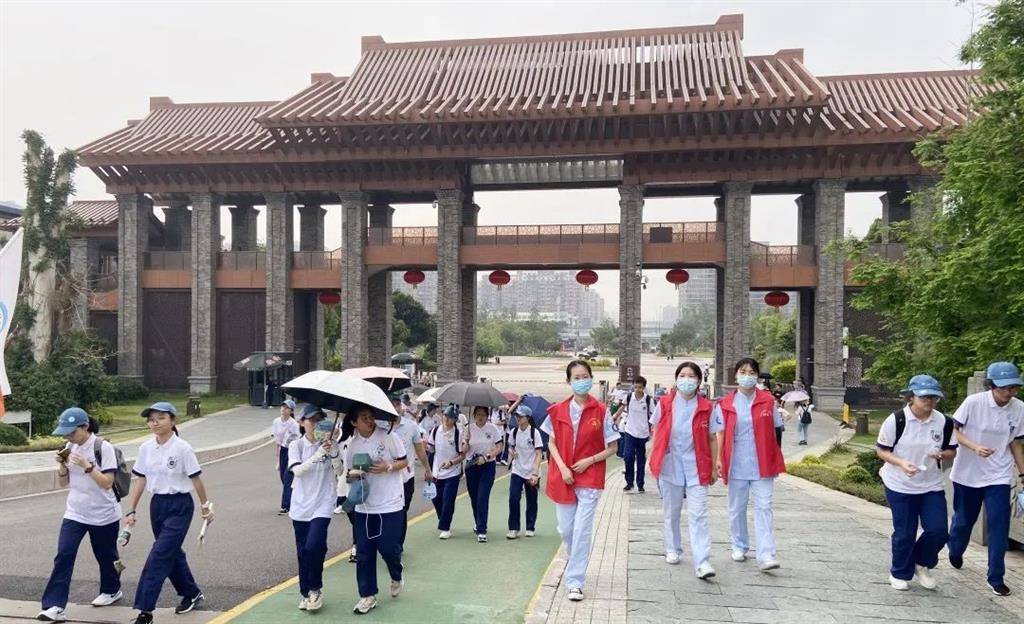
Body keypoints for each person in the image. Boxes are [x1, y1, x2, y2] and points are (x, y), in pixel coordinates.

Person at [124, 402, 213, 624]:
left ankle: (145, 611)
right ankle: (192, 593)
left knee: (159, 555)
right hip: (157, 505)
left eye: (161, 418)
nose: (155, 423)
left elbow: (196, 479)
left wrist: (205, 506)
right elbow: (141, 480)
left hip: (180, 505)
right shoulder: (146, 448)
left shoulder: (183, 448)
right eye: (151, 419)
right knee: (171, 553)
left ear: (173, 421)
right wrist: (131, 509)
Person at [542, 360, 619, 602]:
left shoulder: (601, 411)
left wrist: (589, 461)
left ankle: (575, 582)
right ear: (569, 381)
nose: (581, 381)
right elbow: (551, 443)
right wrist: (563, 467)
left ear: (591, 378)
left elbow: (613, 447)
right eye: (576, 377)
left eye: (585, 376)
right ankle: (575, 557)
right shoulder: (557, 410)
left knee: (582, 529)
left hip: (590, 475)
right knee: (566, 530)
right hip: (564, 475)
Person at [38, 408, 123, 622]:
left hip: (104, 513)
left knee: (106, 556)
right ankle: (54, 606)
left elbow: (107, 483)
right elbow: (63, 483)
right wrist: (61, 464)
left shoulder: (103, 447)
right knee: (64, 554)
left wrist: (86, 466)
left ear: (85, 427)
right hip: (75, 512)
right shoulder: (69, 447)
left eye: (72, 432)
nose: (68, 437)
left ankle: (112, 589)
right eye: (65, 433)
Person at [947, 361, 1024, 596]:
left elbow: (1015, 443)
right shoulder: (974, 403)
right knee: (964, 521)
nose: (1009, 392)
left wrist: (1023, 473)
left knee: (999, 524)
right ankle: (955, 549)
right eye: (1004, 388)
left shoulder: (1019, 408)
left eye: (1013, 387)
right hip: (967, 473)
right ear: (991, 385)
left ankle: (996, 577)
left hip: (998, 473)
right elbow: (954, 430)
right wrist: (975, 447)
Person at [875, 375, 956, 591]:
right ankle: (899, 572)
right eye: (924, 397)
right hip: (899, 484)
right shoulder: (897, 420)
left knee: (939, 530)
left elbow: (952, 450)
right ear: (911, 397)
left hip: (931, 485)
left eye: (934, 397)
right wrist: (901, 463)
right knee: (905, 533)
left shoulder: (944, 422)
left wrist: (942, 455)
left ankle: (922, 562)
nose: (929, 401)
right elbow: (882, 450)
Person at [712, 358, 786, 572]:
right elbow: (720, 433)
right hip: (736, 462)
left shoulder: (767, 401)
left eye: (752, 372)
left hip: (763, 462)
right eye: (743, 372)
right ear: (736, 376)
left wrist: (775, 455)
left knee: (764, 507)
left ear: (757, 376)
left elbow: (777, 430)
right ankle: (739, 545)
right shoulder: (725, 404)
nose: (747, 376)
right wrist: (718, 459)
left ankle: (766, 555)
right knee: (737, 508)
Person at [648, 362, 718, 579]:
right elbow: (656, 431)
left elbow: (712, 437)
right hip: (670, 463)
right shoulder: (665, 404)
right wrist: (654, 457)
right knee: (672, 511)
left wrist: (715, 466)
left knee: (699, 514)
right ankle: (673, 548)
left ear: (699, 381)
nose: (687, 380)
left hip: (698, 465)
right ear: (677, 379)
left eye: (691, 376)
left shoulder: (707, 407)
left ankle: (702, 561)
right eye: (683, 375)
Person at [344, 403, 408, 615]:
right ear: (354, 422)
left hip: (390, 503)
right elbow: (348, 475)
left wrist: (387, 467)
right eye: (363, 417)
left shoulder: (388, 436)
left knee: (389, 548)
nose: (369, 420)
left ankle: (396, 573)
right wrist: (355, 474)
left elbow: (404, 461)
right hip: (364, 506)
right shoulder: (352, 445)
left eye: (370, 416)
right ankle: (367, 595)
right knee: (364, 553)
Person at [288, 404, 342, 612]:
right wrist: (319, 453)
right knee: (303, 552)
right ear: (302, 423)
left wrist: (334, 450)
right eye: (312, 420)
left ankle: (315, 589)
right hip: (301, 505)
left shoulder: (329, 444)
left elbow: (340, 471)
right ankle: (306, 592)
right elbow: (298, 471)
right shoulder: (296, 445)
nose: (316, 424)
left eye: (320, 420)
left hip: (323, 503)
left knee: (314, 546)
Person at [389, 393, 434, 549]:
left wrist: (427, 469)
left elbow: (420, 450)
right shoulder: (380, 426)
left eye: (397, 404)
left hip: (406, 477)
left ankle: (397, 544)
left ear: (401, 407)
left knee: (402, 511)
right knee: (389, 512)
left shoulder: (411, 426)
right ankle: (390, 542)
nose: (395, 408)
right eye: (392, 404)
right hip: (387, 478)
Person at [465, 405, 504, 542]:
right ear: (474, 415)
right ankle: (478, 522)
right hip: (472, 465)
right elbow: (463, 450)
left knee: (483, 496)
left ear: (487, 416)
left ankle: (482, 530)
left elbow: (500, 447)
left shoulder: (492, 429)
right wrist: (466, 441)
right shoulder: (468, 428)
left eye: (483, 415)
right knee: (474, 497)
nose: (480, 417)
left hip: (487, 465)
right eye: (478, 414)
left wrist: (487, 456)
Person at [429, 404, 467, 539]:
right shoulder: (435, 431)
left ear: (455, 419)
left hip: (452, 472)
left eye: (450, 417)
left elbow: (462, 455)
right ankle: (443, 518)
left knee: (448, 499)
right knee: (436, 498)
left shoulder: (458, 434)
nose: (447, 419)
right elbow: (431, 449)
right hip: (437, 471)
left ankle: (445, 527)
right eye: (445, 415)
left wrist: (451, 462)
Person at [507, 405, 543, 539]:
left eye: (521, 416)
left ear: (527, 418)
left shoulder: (534, 433)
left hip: (532, 471)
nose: (518, 418)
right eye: (517, 416)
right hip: (517, 470)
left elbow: (539, 454)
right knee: (513, 498)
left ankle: (530, 526)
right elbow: (510, 446)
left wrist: (535, 473)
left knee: (531, 500)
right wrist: (512, 451)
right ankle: (513, 528)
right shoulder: (514, 432)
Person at [613, 376, 653, 492]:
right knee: (628, 457)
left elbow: (654, 415)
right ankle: (629, 483)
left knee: (641, 460)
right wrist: (615, 416)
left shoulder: (648, 400)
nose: (637, 390)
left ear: (644, 388)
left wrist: (653, 430)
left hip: (643, 434)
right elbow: (622, 407)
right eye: (635, 387)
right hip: (630, 431)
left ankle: (640, 484)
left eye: (640, 387)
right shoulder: (629, 397)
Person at [273, 399, 301, 515]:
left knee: (287, 478)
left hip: (292, 451)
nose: (283, 409)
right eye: (283, 407)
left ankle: (285, 506)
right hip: (283, 451)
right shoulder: (276, 422)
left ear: (291, 411)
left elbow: (297, 440)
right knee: (282, 478)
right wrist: (277, 456)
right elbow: (277, 439)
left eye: (287, 408)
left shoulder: (294, 424)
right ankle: (294, 499)